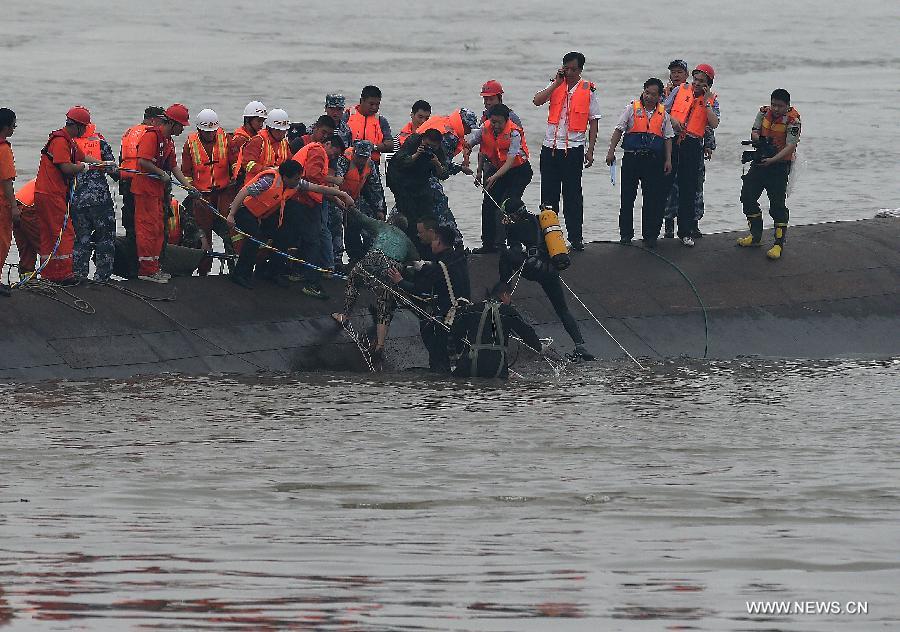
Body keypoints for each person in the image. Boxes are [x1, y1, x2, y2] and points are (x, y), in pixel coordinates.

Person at [225, 159, 348, 289]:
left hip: (263, 215)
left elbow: (318, 188)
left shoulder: (294, 183)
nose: (298, 181)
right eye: (296, 179)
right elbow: (244, 192)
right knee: (254, 238)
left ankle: (273, 272)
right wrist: (231, 215)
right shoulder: (269, 181)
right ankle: (240, 274)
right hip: (245, 211)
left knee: (284, 235)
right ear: (285, 177)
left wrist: (341, 195)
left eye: (299, 178)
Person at [499, 198, 594, 360]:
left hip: (533, 269)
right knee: (562, 309)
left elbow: (514, 250)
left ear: (513, 215)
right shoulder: (540, 220)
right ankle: (580, 345)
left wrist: (507, 229)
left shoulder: (514, 228)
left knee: (505, 256)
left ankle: (504, 294)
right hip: (551, 271)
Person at [332, 208, 420, 367]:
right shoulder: (408, 242)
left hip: (373, 258)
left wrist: (343, 201)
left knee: (353, 279)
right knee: (385, 303)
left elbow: (359, 216)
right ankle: (379, 345)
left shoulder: (382, 226)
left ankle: (345, 315)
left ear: (390, 221)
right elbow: (416, 265)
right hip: (393, 266)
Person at [532, 51, 601, 251]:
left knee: (572, 195)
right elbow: (537, 101)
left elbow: (594, 121)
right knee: (548, 196)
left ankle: (576, 238)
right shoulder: (555, 84)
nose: (569, 72)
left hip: (573, 149)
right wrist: (556, 83)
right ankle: (548, 238)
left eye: (573, 69)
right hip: (550, 148)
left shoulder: (588, 89)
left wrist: (590, 150)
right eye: (566, 68)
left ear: (580, 70)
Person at [33, 106, 105, 284]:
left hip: (50, 193)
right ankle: (63, 274)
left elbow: (83, 158)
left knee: (50, 233)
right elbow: (66, 167)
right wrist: (84, 168)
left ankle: (50, 273)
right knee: (64, 232)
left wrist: (102, 164)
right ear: (79, 126)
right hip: (51, 193)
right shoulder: (60, 141)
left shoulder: (68, 141)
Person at [390, 224, 471, 372]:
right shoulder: (459, 257)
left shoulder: (440, 266)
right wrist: (425, 267)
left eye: (434, 240)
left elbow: (420, 288)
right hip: (465, 313)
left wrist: (400, 281)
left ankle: (440, 378)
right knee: (459, 355)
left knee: (439, 355)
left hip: (448, 317)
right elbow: (443, 270)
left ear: (439, 242)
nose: (431, 244)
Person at [604, 78, 674, 247]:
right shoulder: (631, 109)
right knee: (627, 198)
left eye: (653, 94)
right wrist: (611, 151)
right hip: (632, 159)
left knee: (652, 200)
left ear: (660, 96)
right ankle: (626, 235)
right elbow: (619, 130)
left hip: (653, 161)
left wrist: (668, 160)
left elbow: (668, 138)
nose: (649, 97)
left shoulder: (663, 114)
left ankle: (650, 236)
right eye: (647, 92)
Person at [133, 103, 197, 283]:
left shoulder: (168, 141)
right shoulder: (152, 136)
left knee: (158, 229)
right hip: (145, 191)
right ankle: (146, 270)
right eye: (181, 126)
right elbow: (143, 161)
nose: (182, 130)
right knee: (147, 229)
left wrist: (188, 186)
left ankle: (153, 267)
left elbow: (173, 167)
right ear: (172, 123)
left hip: (157, 192)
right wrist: (161, 173)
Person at [737, 88, 801, 260]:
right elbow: (755, 130)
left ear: (787, 106)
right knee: (747, 196)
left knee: (777, 205)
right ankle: (755, 236)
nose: (775, 108)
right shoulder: (763, 112)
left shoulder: (793, 121)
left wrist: (773, 159)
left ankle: (778, 244)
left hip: (779, 166)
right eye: (773, 104)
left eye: (780, 106)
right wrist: (758, 139)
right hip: (760, 161)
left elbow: (790, 146)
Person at [663, 63, 720, 247]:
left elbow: (714, 123)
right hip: (673, 140)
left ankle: (685, 231)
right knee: (666, 184)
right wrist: (673, 120)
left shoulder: (711, 100)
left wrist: (708, 101)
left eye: (702, 81)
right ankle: (662, 228)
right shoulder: (679, 90)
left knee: (689, 189)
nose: (696, 83)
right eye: (695, 79)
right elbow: (662, 109)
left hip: (693, 144)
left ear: (708, 84)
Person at [291, 134, 350, 296]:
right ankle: (311, 282)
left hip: (303, 200)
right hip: (304, 201)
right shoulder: (318, 151)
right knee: (313, 242)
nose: (334, 157)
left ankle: (299, 273)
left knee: (304, 240)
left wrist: (336, 200)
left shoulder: (314, 150)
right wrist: (335, 180)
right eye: (335, 153)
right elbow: (312, 176)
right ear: (328, 144)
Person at [468, 104, 532, 253]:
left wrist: (493, 177)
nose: (495, 125)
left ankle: (516, 243)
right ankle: (488, 245)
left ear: (506, 120)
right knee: (488, 203)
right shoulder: (485, 127)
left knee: (509, 205)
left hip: (518, 171)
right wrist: (477, 171)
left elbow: (510, 162)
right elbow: (476, 148)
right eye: (493, 121)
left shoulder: (514, 133)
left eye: (499, 122)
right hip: (499, 171)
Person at [449, 281, 542, 378]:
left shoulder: (472, 309)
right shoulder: (508, 311)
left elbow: (456, 331)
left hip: (473, 362)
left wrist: (458, 355)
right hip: (497, 365)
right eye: (509, 297)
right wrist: (539, 347)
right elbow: (526, 332)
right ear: (505, 295)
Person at [119, 105, 166, 277]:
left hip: (127, 184)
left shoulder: (129, 132)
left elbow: (121, 161)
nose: (163, 124)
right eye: (162, 120)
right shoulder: (152, 134)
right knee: (151, 228)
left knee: (133, 228)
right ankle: (150, 267)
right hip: (146, 182)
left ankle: (134, 269)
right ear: (154, 120)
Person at [386, 128, 449, 252]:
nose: (429, 148)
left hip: (420, 182)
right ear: (423, 139)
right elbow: (400, 161)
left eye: (433, 146)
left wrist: (436, 163)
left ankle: (429, 249)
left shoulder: (439, 150)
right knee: (410, 217)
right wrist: (415, 155)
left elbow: (444, 175)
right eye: (427, 145)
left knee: (428, 217)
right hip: (400, 181)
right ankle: (413, 250)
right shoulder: (413, 141)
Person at [180, 108, 227, 275]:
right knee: (204, 237)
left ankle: (233, 269)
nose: (210, 135)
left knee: (230, 234)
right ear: (199, 130)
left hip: (223, 195)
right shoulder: (190, 144)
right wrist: (193, 192)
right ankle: (203, 273)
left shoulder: (225, 138)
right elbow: (186, 172)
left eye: (212, 131)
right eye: (207, 132)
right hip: (201, 197)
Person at [72, 121, 118, 282]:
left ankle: (78, 275)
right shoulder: (100, 142)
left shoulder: (70, 144)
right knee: (105, 238)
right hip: (100, 200)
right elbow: (113, 171)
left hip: (76, 200)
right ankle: (102, 277)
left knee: (80, 239)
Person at [337, 140, 387, 264]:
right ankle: (339, 259)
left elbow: (375, 187)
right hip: (337, 199)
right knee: (339, 227)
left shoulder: (369, 164)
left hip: (355, 198)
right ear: (354, 153)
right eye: (359, 157)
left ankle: (363, 258)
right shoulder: (343, 161)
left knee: (363, 224)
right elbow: (335, 183)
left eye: (365, 157)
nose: (361, 160)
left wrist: (379, 209)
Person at [344, 85, 393, 170]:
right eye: (371, 104)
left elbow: (390, 144)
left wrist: (373, 147)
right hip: (348, 165)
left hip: (372, 167)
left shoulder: (381, 120)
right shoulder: (347, 116)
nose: (374, 107)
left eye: (377, 104)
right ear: (361, 100)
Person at [238, 108, 292, 180]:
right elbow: (247, 164)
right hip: (255, 184)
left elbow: (289, 161)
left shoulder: (284, 143)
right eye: (278, 130)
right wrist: (267, 170)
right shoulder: (258, 141)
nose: (282, 134)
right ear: (269, 128)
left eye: (284, 130)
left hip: (276, 183)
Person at [0, 108, 17, 296]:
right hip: (1, 204)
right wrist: (14, 207)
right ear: (6, 127)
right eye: (13, 125)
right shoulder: (3, 149)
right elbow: (6, 181)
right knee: (2, 241)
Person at [13, 179, 40, 282]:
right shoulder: (70, 178)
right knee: (46, 246)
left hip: (16, 208)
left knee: (27, 249)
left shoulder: (42, 178)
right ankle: (53, 278)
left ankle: (28, 280)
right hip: (30, 209)